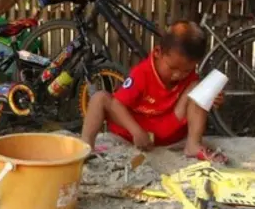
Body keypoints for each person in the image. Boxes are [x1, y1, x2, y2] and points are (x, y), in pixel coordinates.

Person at [80, 20, 226, 162]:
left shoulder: (190, 78)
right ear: (157, 52)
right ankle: (86, 148)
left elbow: (195, 104)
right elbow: (117, 104)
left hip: (168, 130)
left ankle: (193, 145)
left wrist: (211, 98)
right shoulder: (142, 73)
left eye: (186, 70)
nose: (178, 75)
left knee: (199, 87)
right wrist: (135, 130)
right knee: (100, 98)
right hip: (134, 131)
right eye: (172, 68)